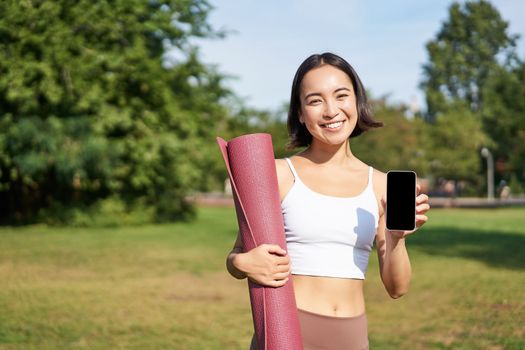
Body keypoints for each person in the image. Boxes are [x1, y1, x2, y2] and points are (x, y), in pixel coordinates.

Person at [226, 52, 430, 350]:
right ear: (299, 112)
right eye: (315, 100)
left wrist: (397, 238)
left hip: (352, 337)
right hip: (287, 333)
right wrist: (242, 262)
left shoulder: (381, 184)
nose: (331, 110)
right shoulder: (278, 174)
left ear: (357, 101)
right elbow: (235, 256)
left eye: (341, 96)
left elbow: (397, 288)